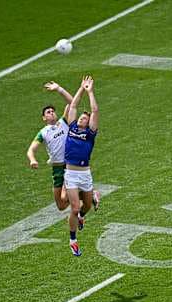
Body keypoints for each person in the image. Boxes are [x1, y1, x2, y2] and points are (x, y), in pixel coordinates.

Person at [64, 75, 101, 256]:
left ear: (88, 124)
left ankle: (81, 218)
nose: (81, 119)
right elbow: (73, 106)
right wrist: (80, 89)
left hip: (85, 174)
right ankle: (73, 240)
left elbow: (95, 110)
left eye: (84, 119)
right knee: (75, 207)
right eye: (80, 118)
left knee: (86, 206)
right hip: (70, 174)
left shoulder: (90, 134)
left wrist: (90, 92)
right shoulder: (71, 127)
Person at [26, 81, 76, 212]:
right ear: (44, 118)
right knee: (61, 205)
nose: (52, 112)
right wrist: (32, 159)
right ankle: (83, 196)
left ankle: (87, 194)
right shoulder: (43, 133)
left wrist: (59, 89)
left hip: (69, 164)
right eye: (48, 112)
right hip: (56, 169)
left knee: (65, 196)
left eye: (53, 111)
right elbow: (31, 150)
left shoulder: (63, 122)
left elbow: (73, 103)